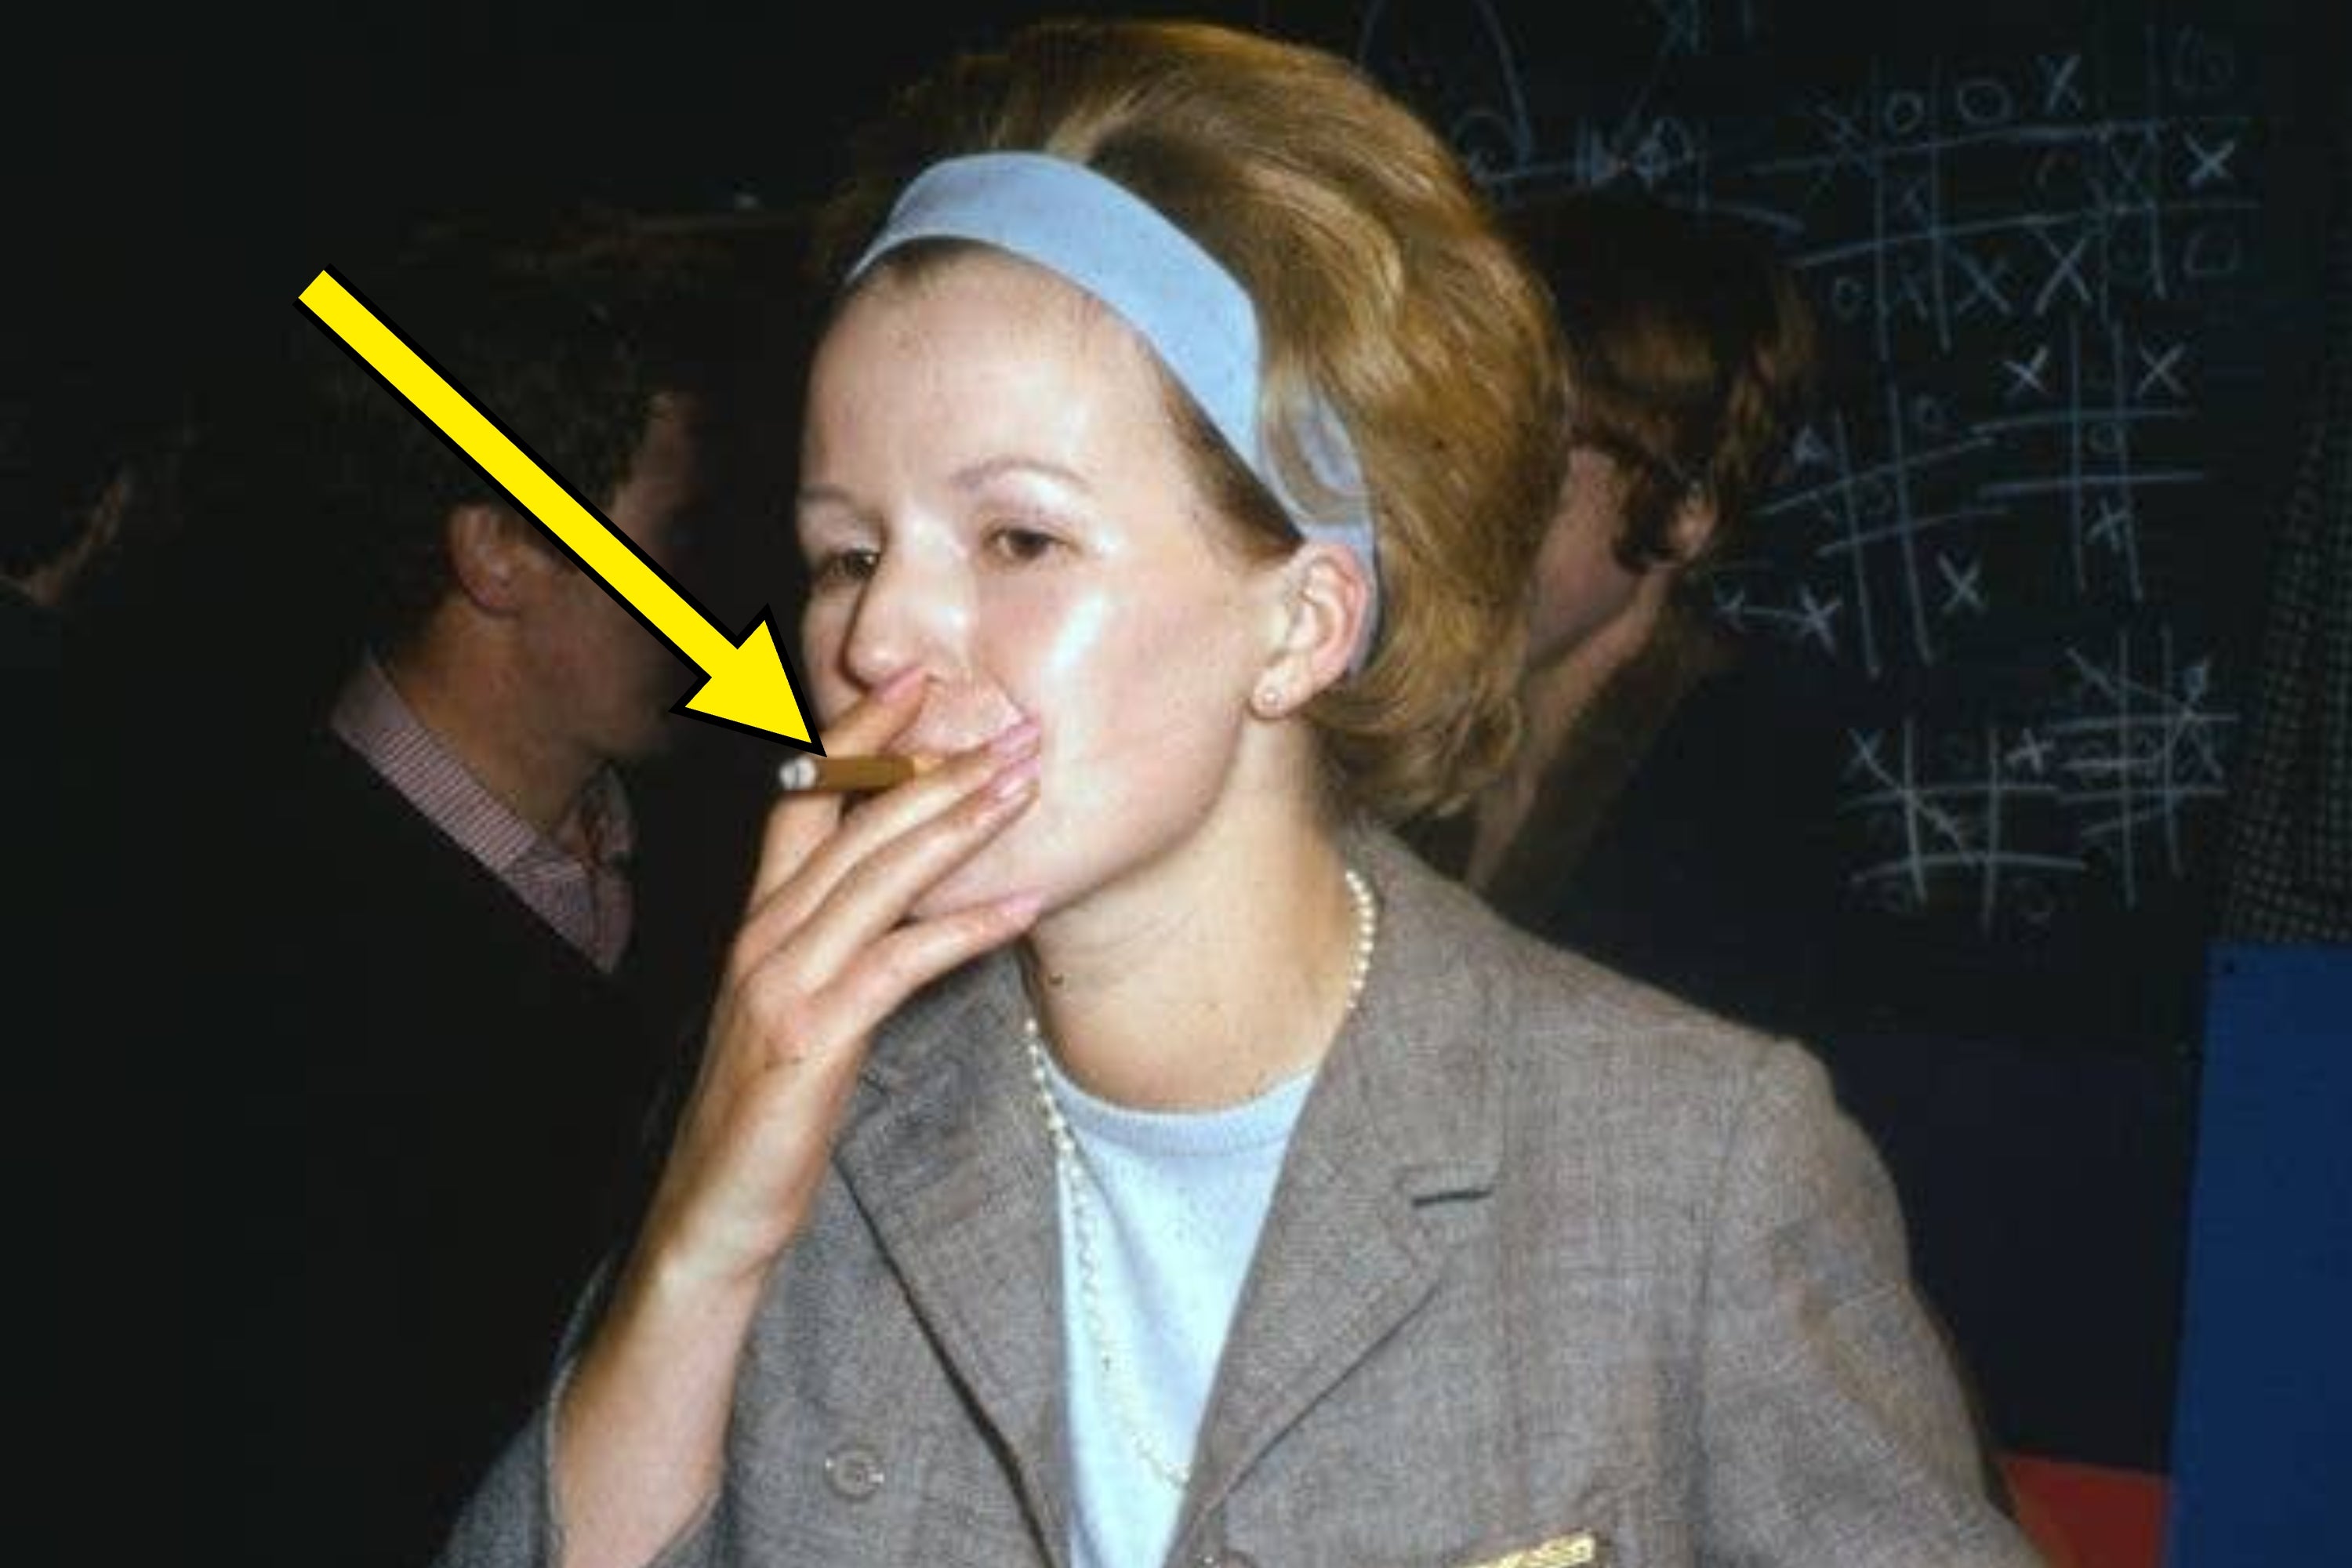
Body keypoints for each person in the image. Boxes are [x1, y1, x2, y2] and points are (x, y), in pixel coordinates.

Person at [437, 20, 2040, 1568]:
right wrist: (705, 1245)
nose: (873, 629)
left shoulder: (1691, 1168)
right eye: (847, 549)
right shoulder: (801, 1132)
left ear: (1304, 620)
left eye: (1019, 538)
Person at [160, 246, 757, 1568]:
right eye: (681, 538)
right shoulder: (241, 957)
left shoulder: (705, 864)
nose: (733, 596)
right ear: (496, 548)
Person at [1413, 186, 1847, 1039]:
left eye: (1532, 475)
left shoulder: (1740, 825)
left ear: (1687, 511)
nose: (1462, 511)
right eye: (1450, 450)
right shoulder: (1400, 744)